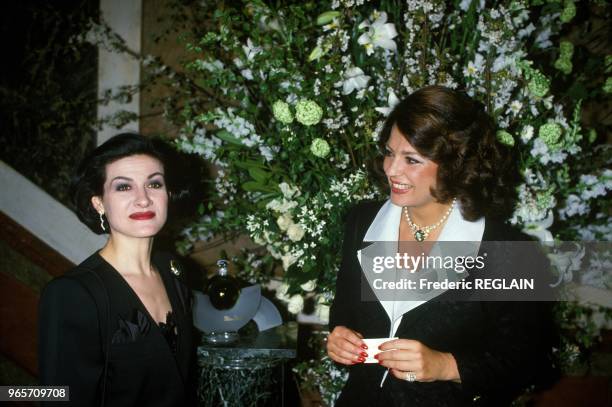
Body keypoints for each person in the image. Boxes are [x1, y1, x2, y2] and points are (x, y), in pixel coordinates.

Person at [327, 86, 556, 406]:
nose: (391, 169)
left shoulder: (508, 250)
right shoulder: (361, 222)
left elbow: (532, 362)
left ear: (456, 164)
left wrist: (447, 366)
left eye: (412, 159)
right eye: (390, 153)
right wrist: (340, 337)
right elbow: (344, 309)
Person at [38, 133, 197, 406]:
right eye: (124, 187)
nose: (143, 199)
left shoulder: (172, 270)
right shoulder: (72, 294)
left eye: (154, 184)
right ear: (99, 202)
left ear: (168, 194)